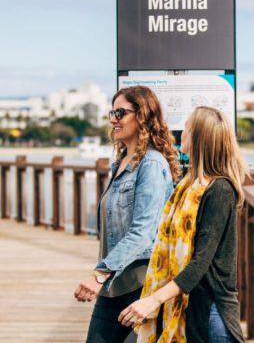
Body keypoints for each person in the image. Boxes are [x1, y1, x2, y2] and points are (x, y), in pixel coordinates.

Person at [118, 106, 248, 343]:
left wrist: (153, 300)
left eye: (187, 129)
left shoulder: (219, 189)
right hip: (188, 308)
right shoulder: (187, 187)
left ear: (199, 138)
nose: (181, 135)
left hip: (210, 312)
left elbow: (201, 262)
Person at [74, 86, 181, 343]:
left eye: (121, 112)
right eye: (112, 112)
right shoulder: (122, 162)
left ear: (142, 115)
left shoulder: (152, 164)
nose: (113, 119)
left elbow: (143, 233)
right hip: (115, 286)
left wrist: (100, 274)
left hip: (140, 284)